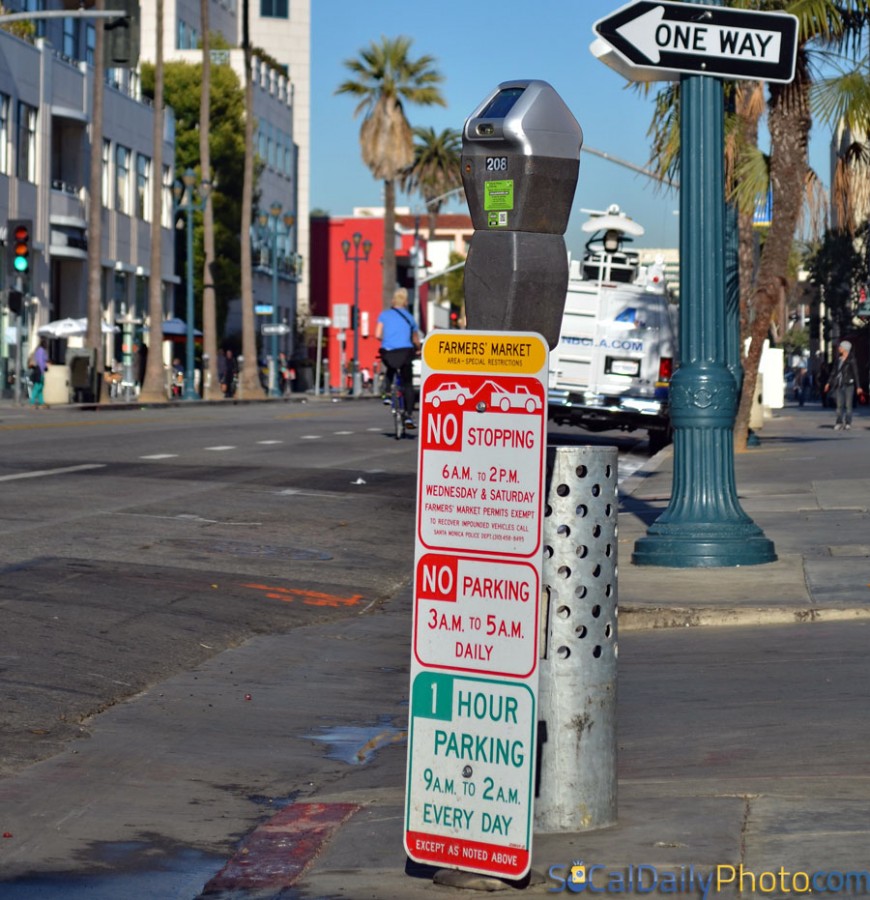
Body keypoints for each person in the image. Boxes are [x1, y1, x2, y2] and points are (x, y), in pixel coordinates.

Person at [375, 287, 421, 428]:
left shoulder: (384, 315)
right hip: (405, 352)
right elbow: (415, 339)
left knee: (390, 368)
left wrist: (388, 341)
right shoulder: (410, 318)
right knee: (407, 384)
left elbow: (377, 334)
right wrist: (419, 349)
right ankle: (408, 416)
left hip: (389, 352)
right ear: (406, 302)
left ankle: (387, 393)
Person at [824, 340, 864, 430]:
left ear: (845, 349)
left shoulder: (852, 360)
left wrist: (858, 387)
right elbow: (834, 372)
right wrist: (828, 383)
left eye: (841, 347)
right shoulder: (838, 359)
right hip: (839, 384)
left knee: (848, 405)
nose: (839, 348)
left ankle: (848, 422)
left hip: (849, 384)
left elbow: (855, 373)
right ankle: (839, 422)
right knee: (839, 405)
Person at [28, 338, 49, 408]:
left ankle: (41, 402)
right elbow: (40, 361)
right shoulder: (41, 351)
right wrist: (43, 369)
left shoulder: (40, 350)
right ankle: (32, 402)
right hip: (39, 371)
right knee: (37, 387)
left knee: (40, 387)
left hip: (40, 370)